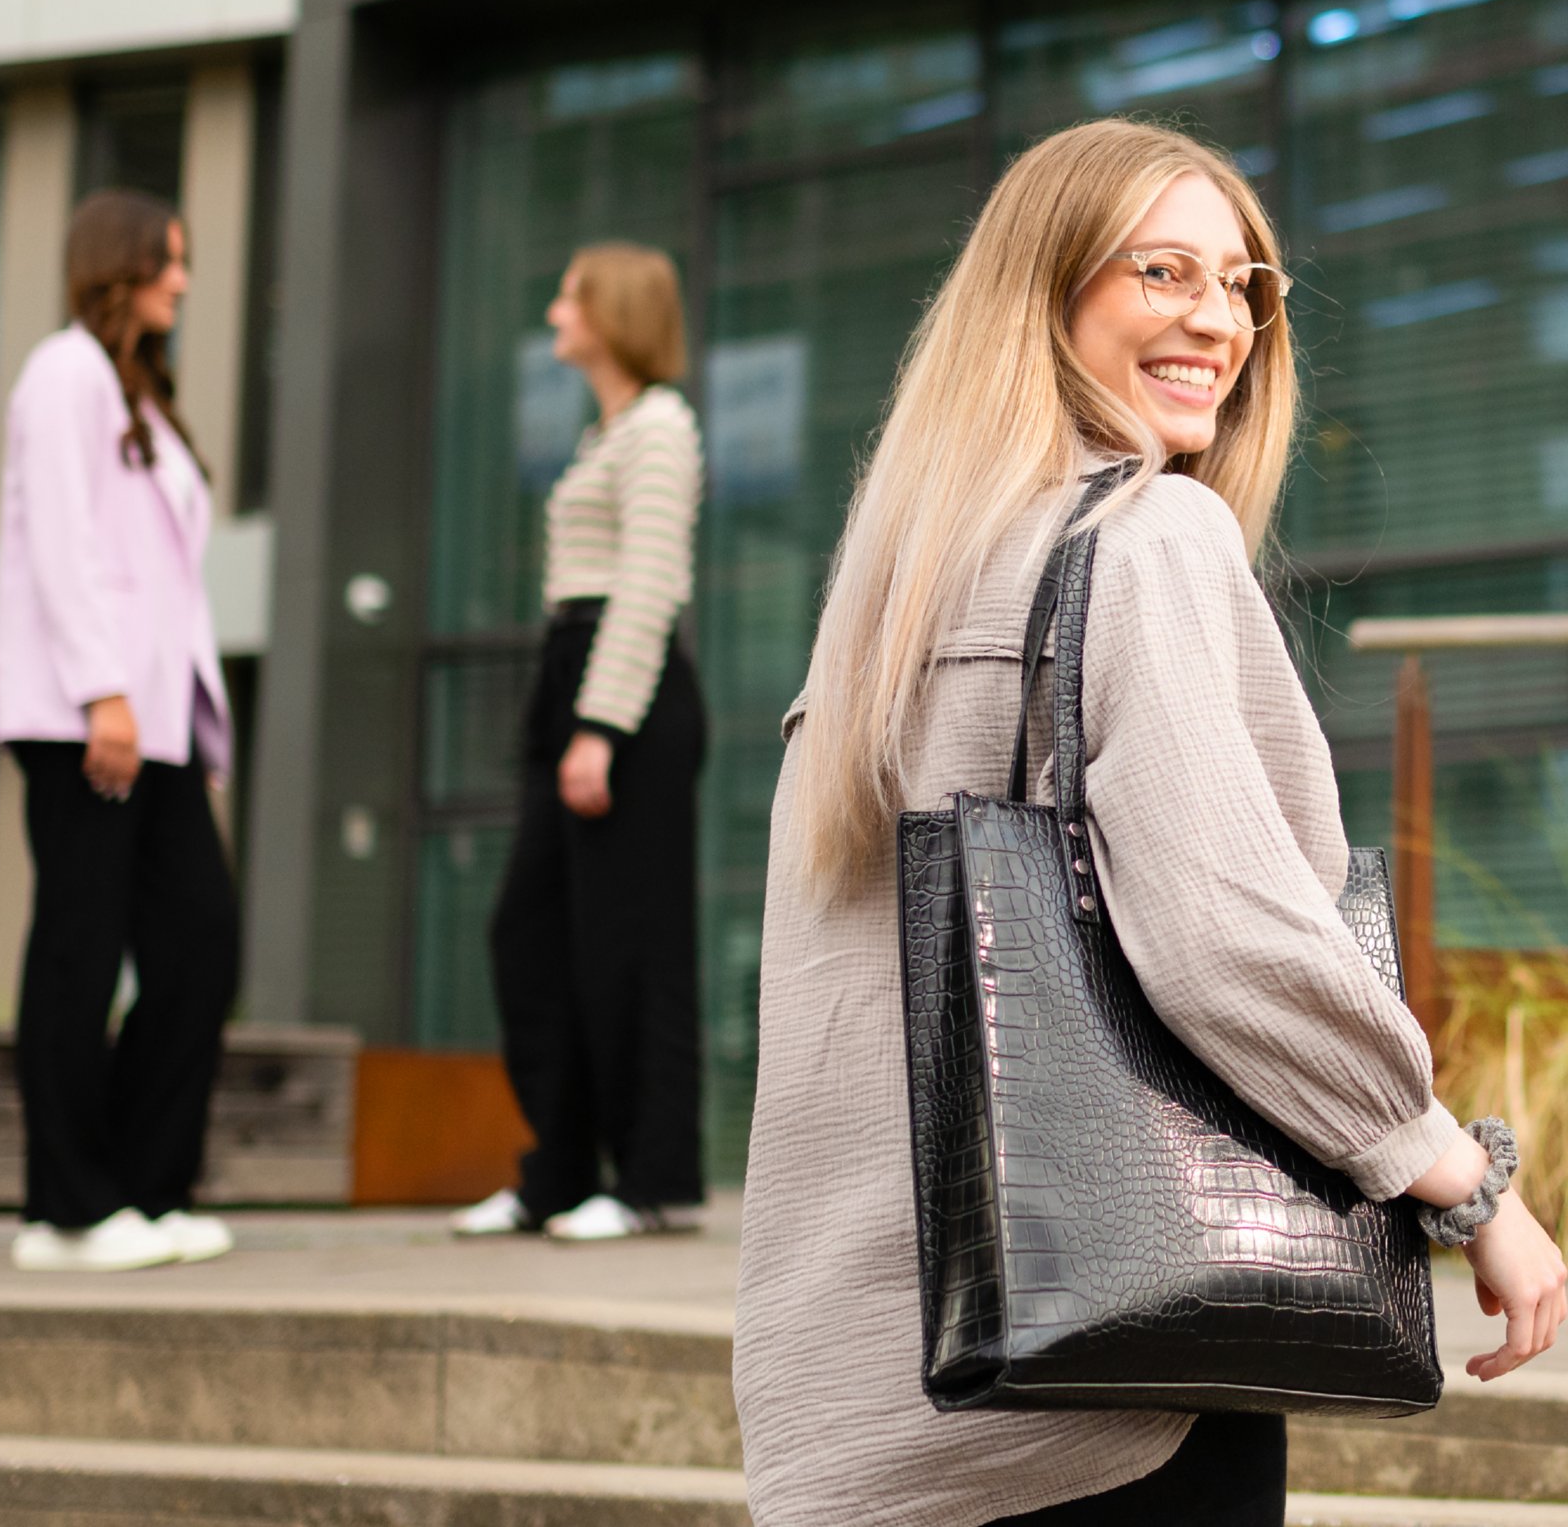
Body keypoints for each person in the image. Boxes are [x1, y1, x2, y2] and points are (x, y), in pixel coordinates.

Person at [734, 119, 1567, 1525]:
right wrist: (1464, 1180)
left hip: (865, 1384)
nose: (1218, 319)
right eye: (1162, 271)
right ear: (1045, 295)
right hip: (1105, 1389)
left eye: (1243, 283)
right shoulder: (1153, 536)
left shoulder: (895, 583)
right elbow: (1225, 928)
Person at [0, 188, 242, 1272]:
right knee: (80, 952)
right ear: (121, 265)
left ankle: (147, 1184)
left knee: (198, 947)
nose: (183, 281)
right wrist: (102, 693)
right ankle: (66, 1210)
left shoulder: (134, 388)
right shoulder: (65, 374)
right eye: (169, 263)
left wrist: (186, 724)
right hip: (85, 717)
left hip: (155, 728)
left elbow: (166, 589)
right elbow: (62, 543)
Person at [452, 242, 709, 1243]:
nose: (554, 308)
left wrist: (599, 726)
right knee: (533, 937)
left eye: (569, 294)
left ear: (611, 312)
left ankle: (647, 1182)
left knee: (628, 950)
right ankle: (554, 1171)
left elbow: (645, 586)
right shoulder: (605, 434)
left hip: (623, 691)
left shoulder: (659, 429)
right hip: (570, 673)